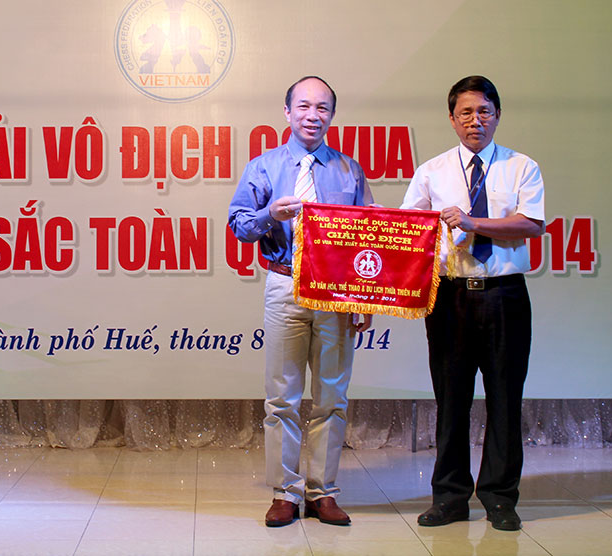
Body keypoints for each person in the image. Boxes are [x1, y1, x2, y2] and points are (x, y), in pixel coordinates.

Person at [401, 75, 545, 531]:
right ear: (451, 119)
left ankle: (500, 498)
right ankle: (450, 497)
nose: (475, 120)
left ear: (497, 116)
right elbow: (407, 231)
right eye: (466, 112)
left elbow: (531, 224)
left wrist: (472, 223)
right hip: (450, 297)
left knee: (505, 399)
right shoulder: (432, 171)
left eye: (484, 111)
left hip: (504, 295)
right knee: (451, 400)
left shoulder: (522, 167)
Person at [228, 76, 373, 527]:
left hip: (336, 291)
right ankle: (285, 493)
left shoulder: (349, 170)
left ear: (332, 115)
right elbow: (239, 225)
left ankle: (323, 492)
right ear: (287, 112)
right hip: (284, 284)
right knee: (282, 398)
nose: (313, 115)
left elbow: (369, 237)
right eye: (304, 106)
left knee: (332, 396)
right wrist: (270, 214)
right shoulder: (264, 166)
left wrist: (363, 298)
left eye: (323, 108)